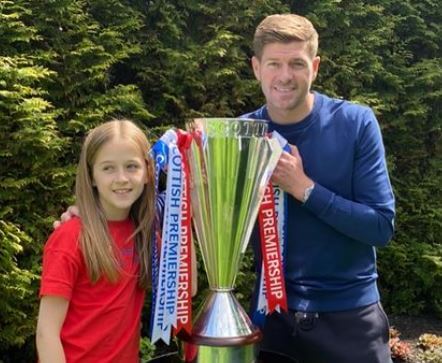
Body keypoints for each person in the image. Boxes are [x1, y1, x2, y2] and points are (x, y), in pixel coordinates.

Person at [241, 14, 395, 363]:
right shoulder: (241, 135)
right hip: (272, 319)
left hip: (350, 318)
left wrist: (305, 188)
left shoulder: (355, 122)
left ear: (315, 66)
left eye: (296, 63)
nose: (284, 76)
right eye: (274, 64)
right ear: (256, 67)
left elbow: (381, 226)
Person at [37, 119, 155, 362]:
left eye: (132, 166)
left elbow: (188, 288)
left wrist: (189, 202)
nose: (121, 178)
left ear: (147, 173)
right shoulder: (70, 237)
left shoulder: (145, 233)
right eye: (108, 168)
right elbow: (46, 333)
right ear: (91, 176)